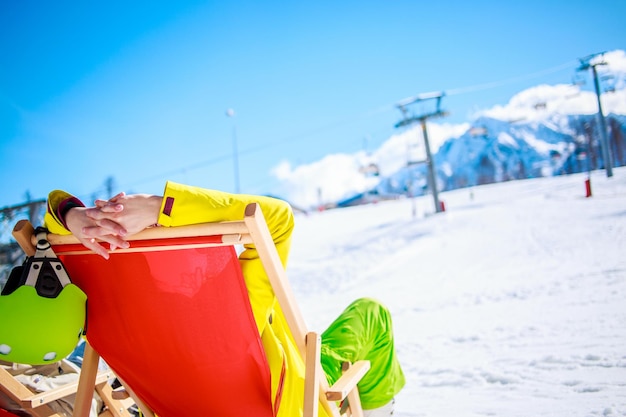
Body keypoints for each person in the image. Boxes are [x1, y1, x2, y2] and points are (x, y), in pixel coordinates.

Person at [44, 181, 405, 417]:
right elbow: (277, 219)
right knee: (372, 312)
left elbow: (49, 220)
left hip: (183, 402)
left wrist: (75, 217)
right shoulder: (227, 312)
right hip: (297, 398)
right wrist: (160, 207)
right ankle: (380, 409)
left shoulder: (120, 317)